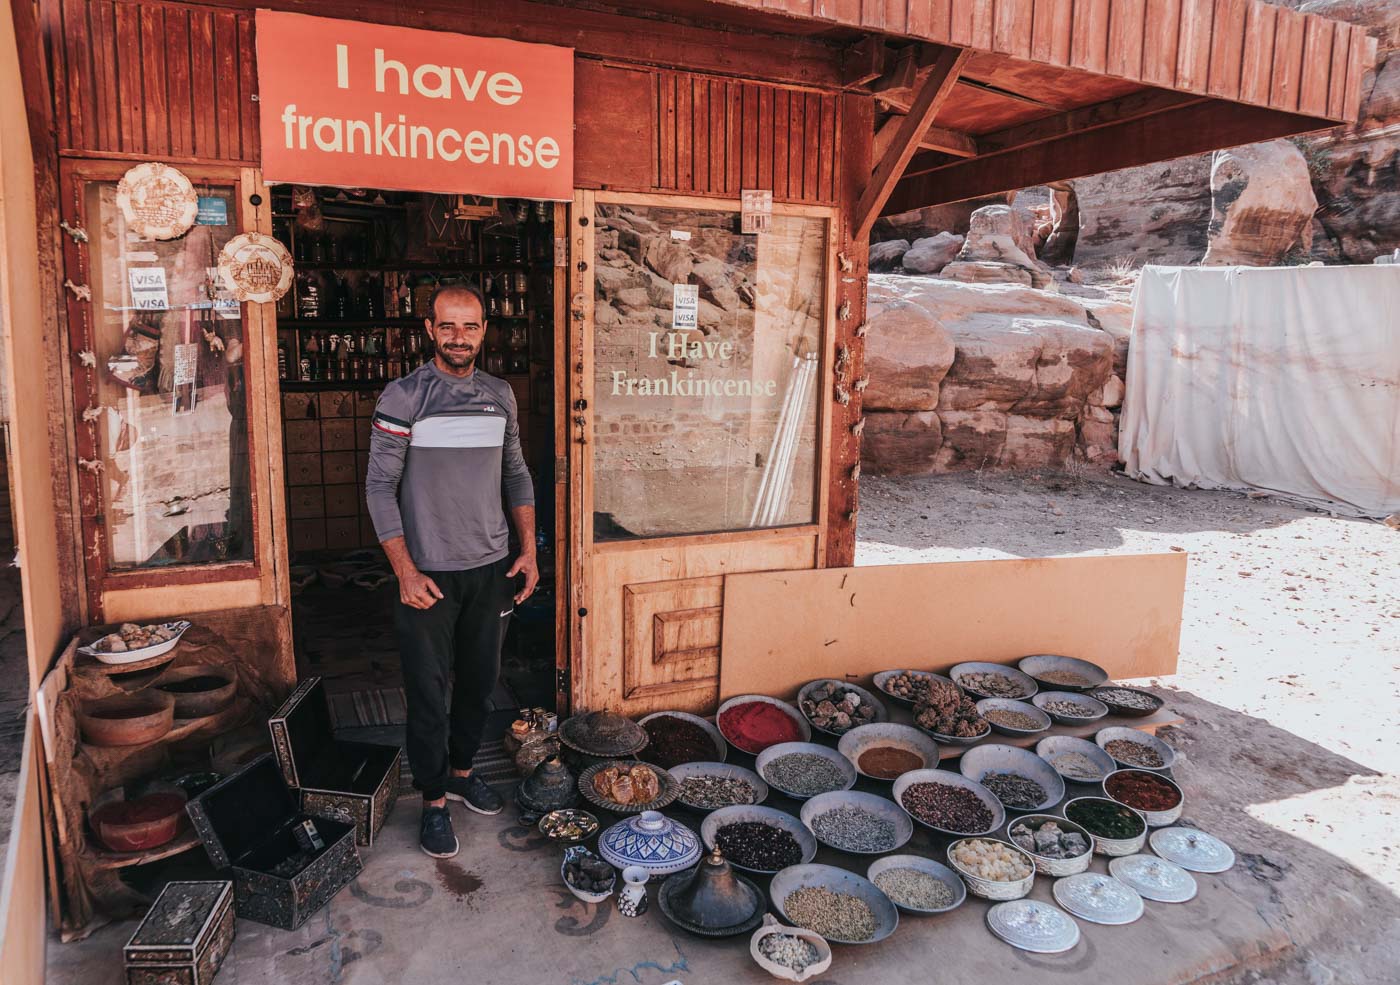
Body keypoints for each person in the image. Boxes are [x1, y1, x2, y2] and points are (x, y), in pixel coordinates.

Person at [365, 283, 538, 858]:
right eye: (448, 326)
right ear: (429, 329)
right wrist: (405, 572)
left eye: (469, 326)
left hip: (489, 569)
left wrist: (528, 549)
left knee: (479, 684)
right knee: (428, 694)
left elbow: (516, 474)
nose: (459, 337)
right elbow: (378, 486)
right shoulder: (405, 395)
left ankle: (464, 774)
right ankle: (434, 799)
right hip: (428, 576)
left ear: (484, 329)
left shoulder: (500, 395)